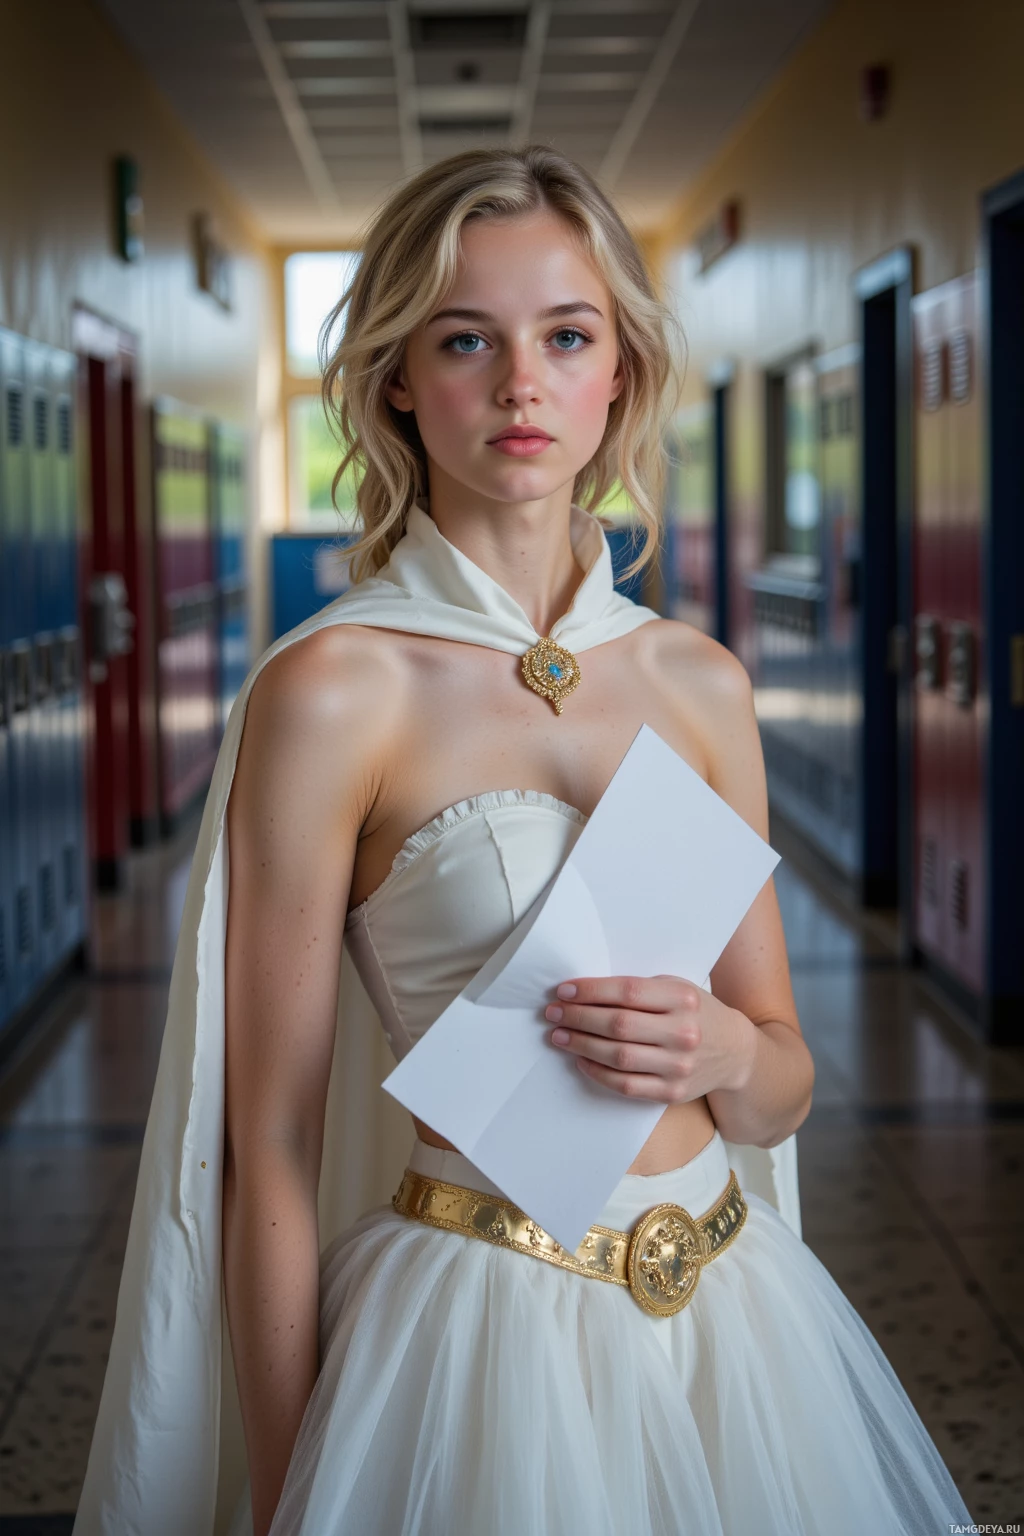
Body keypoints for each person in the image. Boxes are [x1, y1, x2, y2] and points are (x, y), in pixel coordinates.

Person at [74, 147, 972, 1536]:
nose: (520, 384)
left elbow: (782, 1084)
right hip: (475, 1336)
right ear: (395, 380)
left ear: (620, 370)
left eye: (567, 335)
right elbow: (264, 1150)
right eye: (464, 340)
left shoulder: (700, 680)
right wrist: (282, 1487)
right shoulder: (334, 690)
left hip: (732, 1322)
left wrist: (726, 1052)